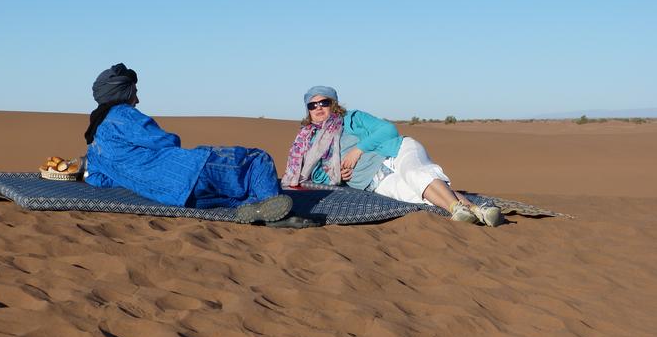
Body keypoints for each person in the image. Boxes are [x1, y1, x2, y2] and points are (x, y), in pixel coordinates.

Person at [83, 63, 302, 225]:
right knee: (257, 160)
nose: (137, 100)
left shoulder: (94, 147)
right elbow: (165, 142)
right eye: (135, 93)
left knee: (238, 193)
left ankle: (255, 209)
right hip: (191, 171)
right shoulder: (122, 115)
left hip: (177, 198)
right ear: (124, 93)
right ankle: (273, 208)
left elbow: (98, 180)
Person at [282, 86, 503, 226]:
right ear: (308, 110)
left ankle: (457, 210)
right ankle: (477, 210)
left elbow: (388, 130)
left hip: (395, 153)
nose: (319, 108)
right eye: (313, 105)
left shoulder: (352, 119)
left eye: (324, 103)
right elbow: (314, 175)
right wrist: (336, 173)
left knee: (417, 174)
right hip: (373, 182)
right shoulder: (308, 142)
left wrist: (358, 150)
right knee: (414, 193)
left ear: (334, 105)